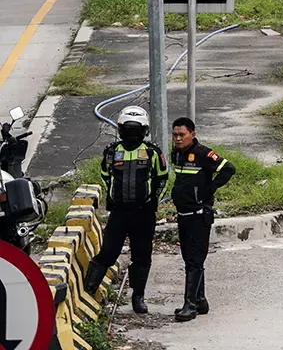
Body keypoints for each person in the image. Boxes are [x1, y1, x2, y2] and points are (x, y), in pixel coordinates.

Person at [83, 106, 169, 314]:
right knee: (107, 254)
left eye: (136, 129)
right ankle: (87, 293)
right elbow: (105, 175)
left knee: (142, 256)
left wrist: (153, 199)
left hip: (143, 213)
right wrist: (113, 196)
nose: (132, 134)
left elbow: (162, 177)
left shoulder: (152, 153)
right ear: (120, 130)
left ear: (144, 130)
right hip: (119, 213)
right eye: (127, 129)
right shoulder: (112, 152)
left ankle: (137, 297)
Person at [170, 117, 235, 322]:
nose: (178, 139)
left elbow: (228, 168)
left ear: (193, 134)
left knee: (194, 261)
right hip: (183, 215)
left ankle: (189, 305)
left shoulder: (203, 154)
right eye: (175, 135)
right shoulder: (177, 154)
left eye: (182, 135)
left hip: (199, 215)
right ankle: (200, 300)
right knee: (190, 258)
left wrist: (210, 188)